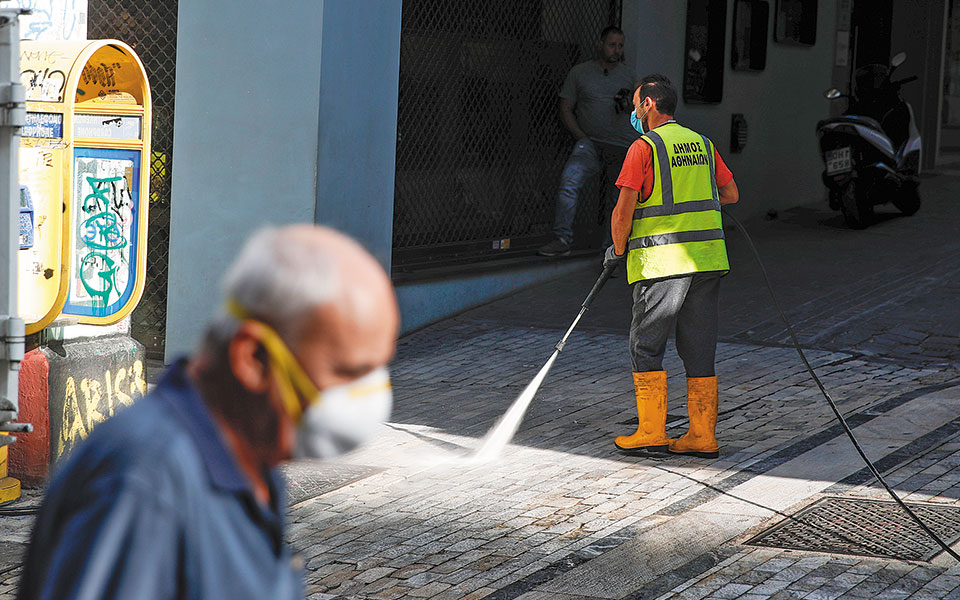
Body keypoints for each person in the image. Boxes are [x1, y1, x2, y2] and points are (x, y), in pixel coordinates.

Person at [17, 225, 399, 599]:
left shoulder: (254, 466)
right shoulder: (144, 482)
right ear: (253, 358)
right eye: (351, 372)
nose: (371, 394)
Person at [603, 75, 739, 459]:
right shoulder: (702, 143)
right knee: (699, 348)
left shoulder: (644, 147)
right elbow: (730, 193)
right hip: (708, 262)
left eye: (635, 104)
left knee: (646, 345)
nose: (633, 111)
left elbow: (623, 210)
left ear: (648, 104)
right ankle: (701, 436)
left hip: (663, 262)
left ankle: (650, 432)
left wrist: (617, 249)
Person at [538, 25, 640, 258]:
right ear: (600, 44)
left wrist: (628, 106)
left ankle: (610, 252)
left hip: (622, 145)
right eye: (612, 45)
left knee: (617, 200)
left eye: (620, 46)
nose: (616, 50)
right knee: (569, 181)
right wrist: (580, 136)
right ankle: (562, 238)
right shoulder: (580, 72)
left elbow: (639, 112)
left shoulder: (629, 75)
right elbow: (565, 108)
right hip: (590, 142)